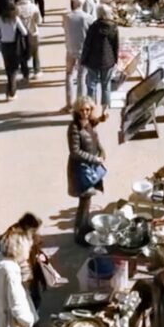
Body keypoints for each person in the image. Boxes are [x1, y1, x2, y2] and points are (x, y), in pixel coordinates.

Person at [66, 95, 107, 245]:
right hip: (80, 170)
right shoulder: (74, 128)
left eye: (88, 110)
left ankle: (85, 226)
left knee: (88, 200)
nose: (85, 113)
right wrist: (95, 159)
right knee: (83, 201)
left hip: (89, 168)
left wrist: (101, 150)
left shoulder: (88, 122)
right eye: (82, 110)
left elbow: (94, 137)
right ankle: (79, 234)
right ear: (77, 111)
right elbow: (75, 152)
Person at [81, 3, 119, 110]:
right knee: (106, 85)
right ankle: (104, 110)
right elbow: (115, 45)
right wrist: (116, 60)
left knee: (91, 85)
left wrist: (83, 59)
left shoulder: (93, 27)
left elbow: (87, 45)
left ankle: (92, 108)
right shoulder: (113, 27)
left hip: (93, 60)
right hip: (108, 61)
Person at [63, 0, 93, 110]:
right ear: (83, 3)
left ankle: (69, 103)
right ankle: (80, 105)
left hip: (70, 49)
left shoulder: (67, 16)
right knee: (81, 77)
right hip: (83, 50)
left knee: (69, 74)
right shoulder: (88, 18)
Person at [0, 0, 29, 100]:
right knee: (14, 69)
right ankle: (12, 92)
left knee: (8, 68)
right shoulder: (15, 19)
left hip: (4, 46)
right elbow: (25, 32)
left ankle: (9, 91)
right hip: (15, 46)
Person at [16, 0, 43, 79]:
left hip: (21, 35)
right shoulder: (34, 7)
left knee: (22, 53)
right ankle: (37, 70)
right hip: (33, 33)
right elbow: (39, 21)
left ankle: (25, 73)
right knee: (36, 52)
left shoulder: (16, 8)